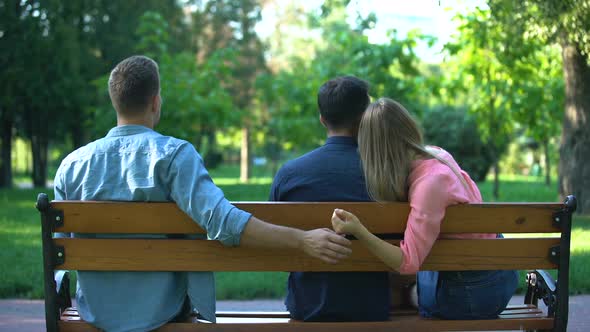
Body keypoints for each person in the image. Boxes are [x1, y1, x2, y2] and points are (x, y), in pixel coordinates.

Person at [54, 55, 352, 332]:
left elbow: (64, 246)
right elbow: (222, 222)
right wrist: (302, 239)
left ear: (115, 102)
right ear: (156, 102)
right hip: (163, 314)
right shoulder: (173, 156)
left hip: (97, 313)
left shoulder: (72, 165)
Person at [331, 97, 518, 320]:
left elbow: (408, 262)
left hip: (471, 293)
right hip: (497, 270)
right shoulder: (437, 154)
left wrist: (359, 231)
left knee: (396, 295)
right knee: (397, 287)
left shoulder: (429, 185)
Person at [269, 76, 392, 321]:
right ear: (365, 117)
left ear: (322, 119)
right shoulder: (386, 173)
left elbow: (279, 250)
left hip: (308, 306)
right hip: (372, 306)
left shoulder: (289, 174)